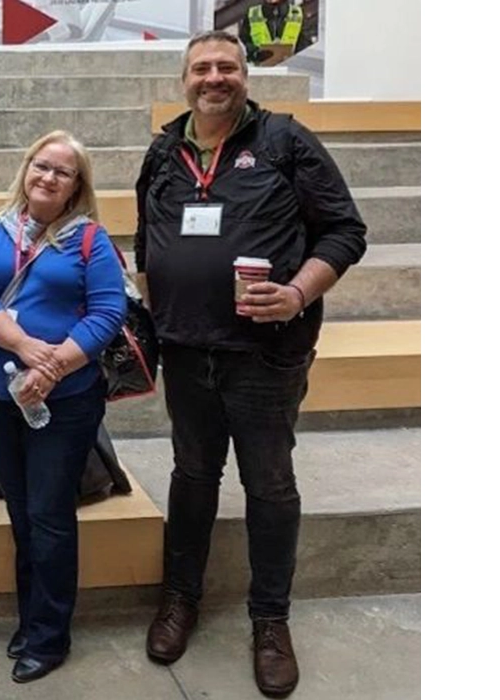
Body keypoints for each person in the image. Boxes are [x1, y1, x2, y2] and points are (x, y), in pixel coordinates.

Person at [133, 31, 368, 698]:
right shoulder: (164, 151)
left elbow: (346, 230)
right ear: (184, 79)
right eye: (202, 68)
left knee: (268, 485)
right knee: (192, 475)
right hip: (185, 350)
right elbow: (147, 238)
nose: (215, 78)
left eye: (227, 67)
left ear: (245, 75)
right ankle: (180, 600)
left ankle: (270, 621)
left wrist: (297, 293)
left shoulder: (285, 141)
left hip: (265, 356)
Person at [0, 130, 126, 684]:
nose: (48, 178)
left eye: (62, 172)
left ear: (78, 185)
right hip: (3, 398)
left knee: (50, 517)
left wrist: (51, 369)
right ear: (26, 169)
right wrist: (24, 347)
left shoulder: (89, 239)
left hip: (66, 402)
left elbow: (106, 313)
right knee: (20, 510)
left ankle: (50, 636)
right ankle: (31, 618)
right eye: (41, 166)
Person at [219, 0, 318, 64]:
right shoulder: (253, 13)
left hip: (290, 70)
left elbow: (305, 43)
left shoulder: (298, 14)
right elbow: (243, 41)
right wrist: (255, 53)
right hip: (259, 70)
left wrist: (293, 58)